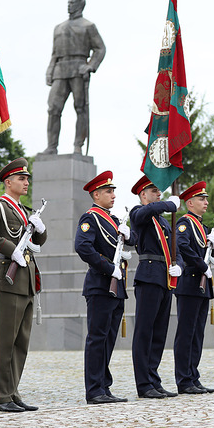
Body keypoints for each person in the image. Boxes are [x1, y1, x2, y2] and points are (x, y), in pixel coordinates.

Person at [0, 158, 48, 413]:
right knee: (5, 341)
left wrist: (41, 229)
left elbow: (37, 241)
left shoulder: (23, 210)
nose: (26, 183)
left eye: (27, 179)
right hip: (7, 277)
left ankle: (12, 391)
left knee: (20, 342)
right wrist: (9, 249)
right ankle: (2, 396)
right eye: (21, 179)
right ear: (8, 182)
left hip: (25, 280)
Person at [75, 171, 131, 404]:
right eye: (108, 191)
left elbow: (131, 241)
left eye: (114, 191)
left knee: (108, 338)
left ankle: (104, 386)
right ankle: (94, 389)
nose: (113, 195)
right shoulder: (91, 218)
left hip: (116, 286)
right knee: (97, 338)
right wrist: (109, 268)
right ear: (96, 194)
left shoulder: (113, 219)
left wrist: (129, 236)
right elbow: (83, 247)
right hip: (101, 283)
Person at [129, 175, 181, 398]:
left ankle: (154, 379)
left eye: (158, 191)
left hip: (164, 276)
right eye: (153, 191)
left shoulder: (161, 220)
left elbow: (172, 246)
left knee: (159, 333)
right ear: (142, 195)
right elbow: (144, 213)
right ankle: (143, 384)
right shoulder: (138, 213)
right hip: (148, 275)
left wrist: (177, 264)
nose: (158, 193)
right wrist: (169, 204)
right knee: (145, 331)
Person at [42, 0, 106, 155]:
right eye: (68, 2)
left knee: (80, 108)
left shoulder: (88, 26)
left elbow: (100, 48)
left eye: (72, 3)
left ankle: (78, 145)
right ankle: (51, 146)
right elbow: (54, 53)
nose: (69, 5)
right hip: (60, 70)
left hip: (79, 68)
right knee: (53, 109)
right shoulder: (59, 27)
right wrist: (50, 71)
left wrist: (90, 65)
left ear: (80, 5)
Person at [173, 181, 214, 394]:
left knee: (197, 333)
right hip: (190, 283)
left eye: (206, 199)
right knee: (186, 333)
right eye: (202, 199)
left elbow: (208, 253)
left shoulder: (202, 226)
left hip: (201, 285)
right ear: (190, 202)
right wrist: (202, 266)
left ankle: (193, 376)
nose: (206, 202)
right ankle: (184, 380)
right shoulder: (185, 223)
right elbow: (182, 246)